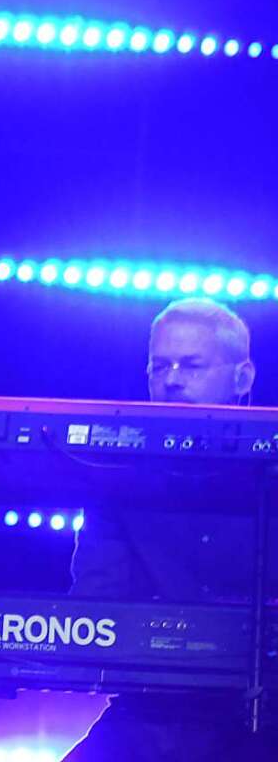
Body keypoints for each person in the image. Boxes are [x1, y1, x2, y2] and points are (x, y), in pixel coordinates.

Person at [66, 297, 277, 761]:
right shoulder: (118, 477)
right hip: (154, 713)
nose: (173, 380)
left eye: (192, 366)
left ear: (242, 378)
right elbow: (96, 604)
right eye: (160, 367)